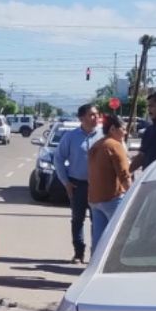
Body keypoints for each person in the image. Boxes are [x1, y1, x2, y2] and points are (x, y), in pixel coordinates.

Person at [53, 103, 102, 264]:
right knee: (77, 219)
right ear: (82, 118)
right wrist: (65, 182)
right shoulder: (71, 136)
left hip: (100, 186)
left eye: (96, 114)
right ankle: (78, 253)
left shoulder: (104, 136)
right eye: (91, 115)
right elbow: (59, 158)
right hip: (78, 185)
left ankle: (97, 255)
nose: (95, 118)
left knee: (99, 221)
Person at [88, 114, 132, 255]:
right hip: (112, 199)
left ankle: (94, 267)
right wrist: (132, 196)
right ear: (113, 129)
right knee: (121, 235)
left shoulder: (97, 145)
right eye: (123, 129)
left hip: (95, 198)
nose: (125, 132)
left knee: (99, 238)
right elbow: (124, 175)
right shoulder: (115, 145)